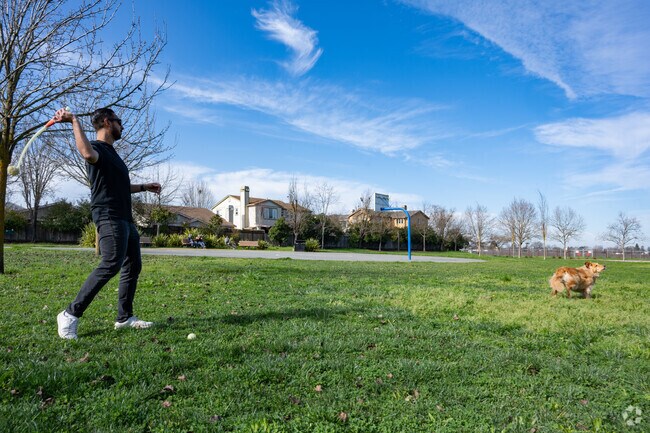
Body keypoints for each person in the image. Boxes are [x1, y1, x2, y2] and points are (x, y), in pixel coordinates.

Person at [53, 107, 161, 339]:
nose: (122, 126)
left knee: (133, 266)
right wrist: (74, 121)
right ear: (106, 122)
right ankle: (70, 314)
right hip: (108, 215)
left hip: (124, 217)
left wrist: (144, 187)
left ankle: (124, 318)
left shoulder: (113, 154)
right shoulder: (98, 149)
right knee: (111, 262)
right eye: (119, 121)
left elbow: (120, 187)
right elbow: (86, 154)